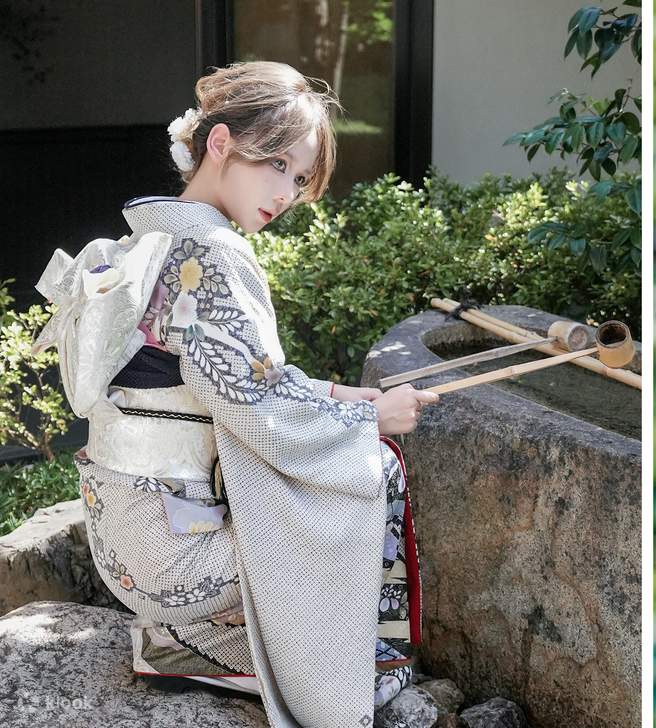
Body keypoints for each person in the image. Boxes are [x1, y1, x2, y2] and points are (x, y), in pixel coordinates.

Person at [32, 61, 439, 727]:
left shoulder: (156, 236)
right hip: (177, 556)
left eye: (298, 177)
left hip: (126, 541)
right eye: (275, 164)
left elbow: (238, 380)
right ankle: (351, 669)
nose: (285, 192)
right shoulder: (213, 255)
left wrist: (349, 398)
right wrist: (370, 424)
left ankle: (183, 643)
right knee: (377, 469)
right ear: (219, 143)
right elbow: (256, 405)